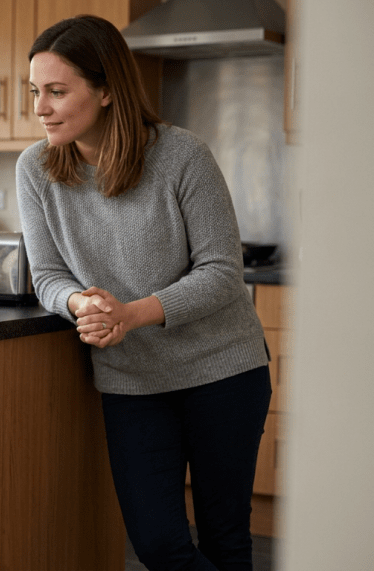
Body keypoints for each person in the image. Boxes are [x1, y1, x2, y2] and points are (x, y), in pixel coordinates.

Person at [16, 15, 271, 571]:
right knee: (157, 542)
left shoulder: (181, 156)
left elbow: (223, 273)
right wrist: (82, 304)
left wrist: (131, 314)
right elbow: (48, 275)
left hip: (222, 369)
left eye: (57, 92)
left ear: (106, 90)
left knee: (225, 540)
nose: (40, 107)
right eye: (36, 91)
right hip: (132, 378)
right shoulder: (35, 168)